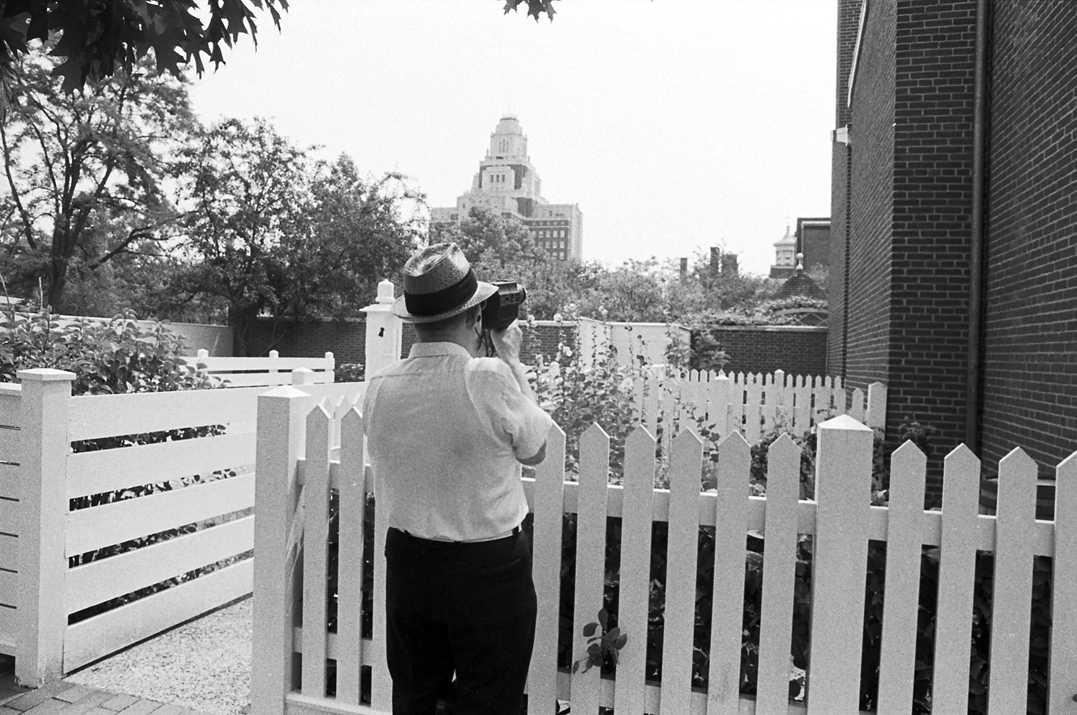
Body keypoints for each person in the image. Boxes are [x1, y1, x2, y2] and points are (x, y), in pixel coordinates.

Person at [361, 242, 555, 715]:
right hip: (486, 571)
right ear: (473, 318)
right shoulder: (487, 376)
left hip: (408, 564)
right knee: (489, 701)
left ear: (416, 320)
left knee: (414, 698)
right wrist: (511, 358)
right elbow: (538, 449)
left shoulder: (380, 386)